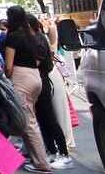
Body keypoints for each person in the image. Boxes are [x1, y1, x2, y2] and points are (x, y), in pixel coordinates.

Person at [3, 7, 52, 174]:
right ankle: (36, 158)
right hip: (35, 77)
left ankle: (41, 163)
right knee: (29, 118)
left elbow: (8, 67)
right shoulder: (31, 35)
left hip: (21, 78)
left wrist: (6, 77)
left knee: (28, 122)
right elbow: (39, 59)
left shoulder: (12, 37)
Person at [28, 17, 72, 169]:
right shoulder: (36, 39)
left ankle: (64, 154)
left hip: (43, 83)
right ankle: (52, 151)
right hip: (40, 82)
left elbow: (37, 62)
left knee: (49, 119)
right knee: (43, 119)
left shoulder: (38, 40)